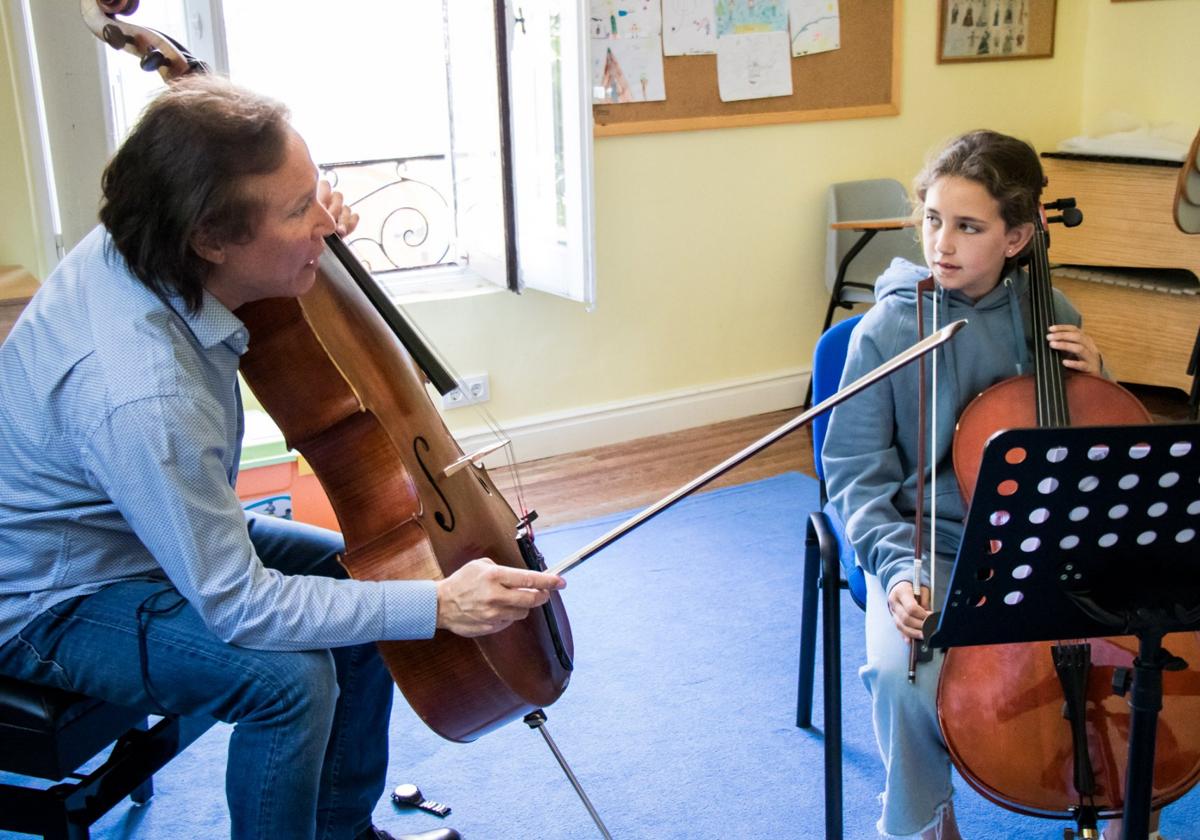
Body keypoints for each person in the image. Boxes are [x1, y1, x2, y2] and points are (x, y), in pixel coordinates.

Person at [0, 74, 564, 840]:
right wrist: (440, 603)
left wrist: (306, 225)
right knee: (292, 680)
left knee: (364, 592)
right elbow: (238, 606)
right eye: (301, 211)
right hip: (55, 594)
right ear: (210, 238)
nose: (326, 228)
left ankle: (340, 833)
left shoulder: (155, 235)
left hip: (136, 524)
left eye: (315, 192)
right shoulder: (144, 394)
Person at [822, 130, 1161, 840]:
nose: (941, 242)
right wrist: (895, 568)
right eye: (932, 219)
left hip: (1045, 544)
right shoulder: (886, 330)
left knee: (1143, 649)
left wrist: (1102, 380)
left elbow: (1094, 458)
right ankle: (924, 820)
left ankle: (1126, 806)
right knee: (898, 673)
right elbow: (854, 472)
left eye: (967, 226)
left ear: (1017, 238)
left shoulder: (1056, 316)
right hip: (931, 546)